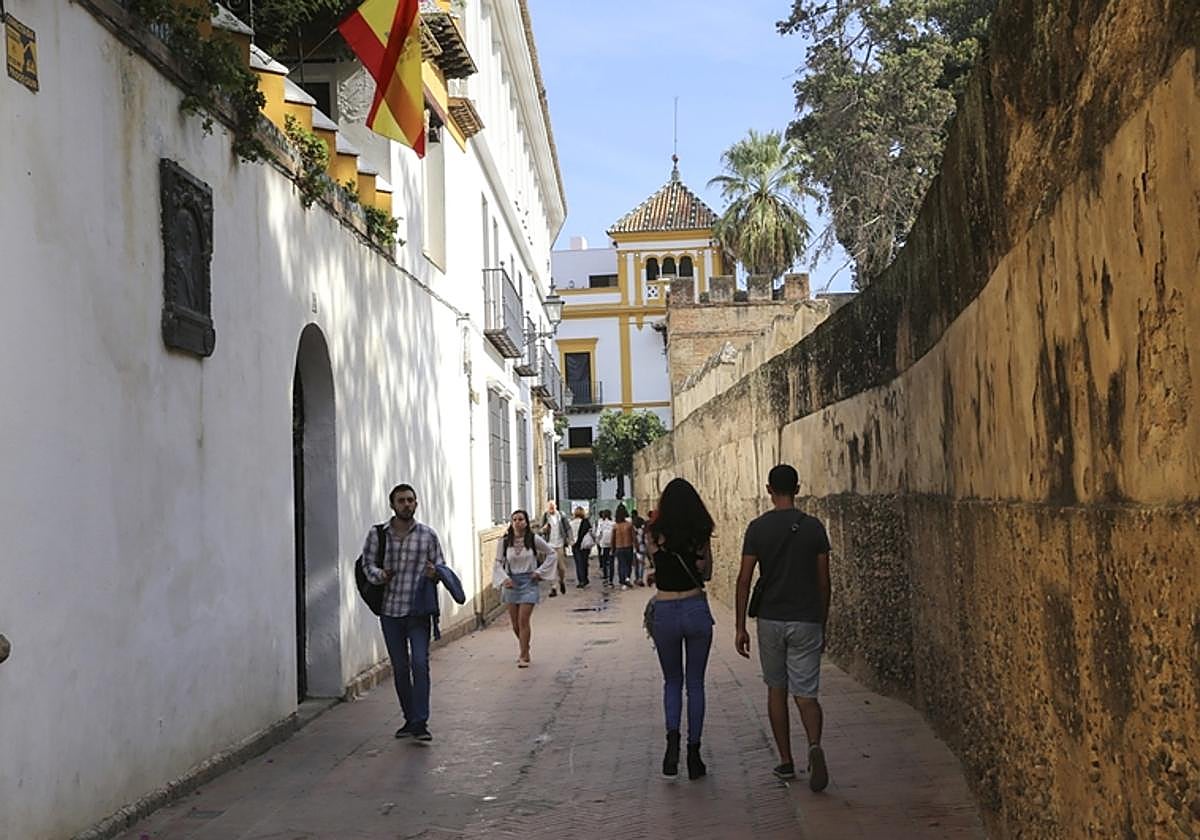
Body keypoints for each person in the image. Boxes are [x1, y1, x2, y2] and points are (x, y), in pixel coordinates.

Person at [734, 464, 832, 792]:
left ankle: (786, 761)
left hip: (771, 620)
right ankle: (815, 745)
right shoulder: (814, 528)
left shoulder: (757, 528)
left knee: (776, 689)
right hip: (806, 618)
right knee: (806, 693)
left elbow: (745, 579)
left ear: (768, 489)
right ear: (798, 488)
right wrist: (823, 620)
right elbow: (824, 581)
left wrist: (739, 626)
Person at [360, 484, 444, 742]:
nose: (406, 504)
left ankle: (421, 721)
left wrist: (435, 573)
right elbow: (367, 564)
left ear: (416, 504)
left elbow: (440, 565)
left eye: (410, 500)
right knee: (400, 667)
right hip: (390, 610)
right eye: (401, 500)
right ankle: (409, 718)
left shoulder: (428, 535)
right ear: (392, 505)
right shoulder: (378, 535)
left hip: (419, 611)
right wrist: (379, 576)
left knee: (420, 663)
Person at [645, 478, 715, 780]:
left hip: (665, 611)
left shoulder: (654, 534)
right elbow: (707, 572)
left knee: (672, 681)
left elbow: (657, 566)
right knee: (695, 684)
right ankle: (694, 753)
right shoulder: (700, 533)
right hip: (695, 607)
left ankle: (671, 742)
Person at [494, 509, 556, 667]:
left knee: (523, 620)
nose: (517, 522)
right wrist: (504, 579)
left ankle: (523, 655)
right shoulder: (505, 542)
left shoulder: (533, 539)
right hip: (511, 583)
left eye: (521, 519)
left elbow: (551, 553)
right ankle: (525, 647)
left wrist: (539, 572)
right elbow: (497, 563)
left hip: (528, 581)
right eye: (514, 519)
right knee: (515, 623)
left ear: (526, 522)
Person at [540, 500, 572, 597]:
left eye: (552, 507)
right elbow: (541, 530)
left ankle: (561, 581)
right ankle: (553, 587)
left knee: (561, 567)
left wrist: (570, 539)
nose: (551, 509)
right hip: (549, 545)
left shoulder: (561, 516)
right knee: (551, 567)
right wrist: (544, 529)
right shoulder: (545, 517)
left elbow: (568, 528)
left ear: (556, 507)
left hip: (560, 544)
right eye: (549, 508)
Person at [612, 504, 636, 589]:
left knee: (621, 564)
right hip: (628, 546)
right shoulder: (629, 525)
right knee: (628, 564)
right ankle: (627, 578)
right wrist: (636, 546)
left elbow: (613, 539)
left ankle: (622, 580)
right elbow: (633, 537)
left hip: (619, 547)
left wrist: (612, 549)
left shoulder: (615, 526)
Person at [570, 506, 593, 588]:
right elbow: (590, 532)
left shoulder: (571, 523)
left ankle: (581, 580)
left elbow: (570, 534)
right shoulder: (586, 522)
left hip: (575, 545)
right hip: (584, 544)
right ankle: (585, 578)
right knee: (584, 562)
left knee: (578, 563)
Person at [596, 509, 615, 587]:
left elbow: (598, 533)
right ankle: (611, 579)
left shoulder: (601, 523)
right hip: (611, 545)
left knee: (604, 562)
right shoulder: (613, 523)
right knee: (611, 562)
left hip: (603, 545)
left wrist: (598, 541)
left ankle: (605, 578)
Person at [631, 513, 647, 586]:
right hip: (642, 548)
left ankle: (637, 578)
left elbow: (633, 540)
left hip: (635, 549)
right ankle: (640, 578)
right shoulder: (643, 530)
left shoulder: (633, 531)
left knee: (636, 565)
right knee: (641, 565)